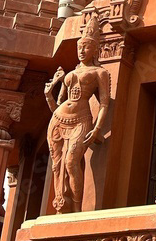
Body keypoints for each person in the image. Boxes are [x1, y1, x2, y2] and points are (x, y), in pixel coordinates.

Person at [45, 13, 111, 213]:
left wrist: (97, 128)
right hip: (58, 119)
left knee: (72, 161)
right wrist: (49, 94)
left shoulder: (100, 73)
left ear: (95, 49)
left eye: (87, 47)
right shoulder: (70, 75)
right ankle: (60, 206)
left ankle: (76, 209)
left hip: (82, 121)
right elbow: (58, 105)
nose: (82, 50)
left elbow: (104, 104)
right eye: (80, 47)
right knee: (57, 166)